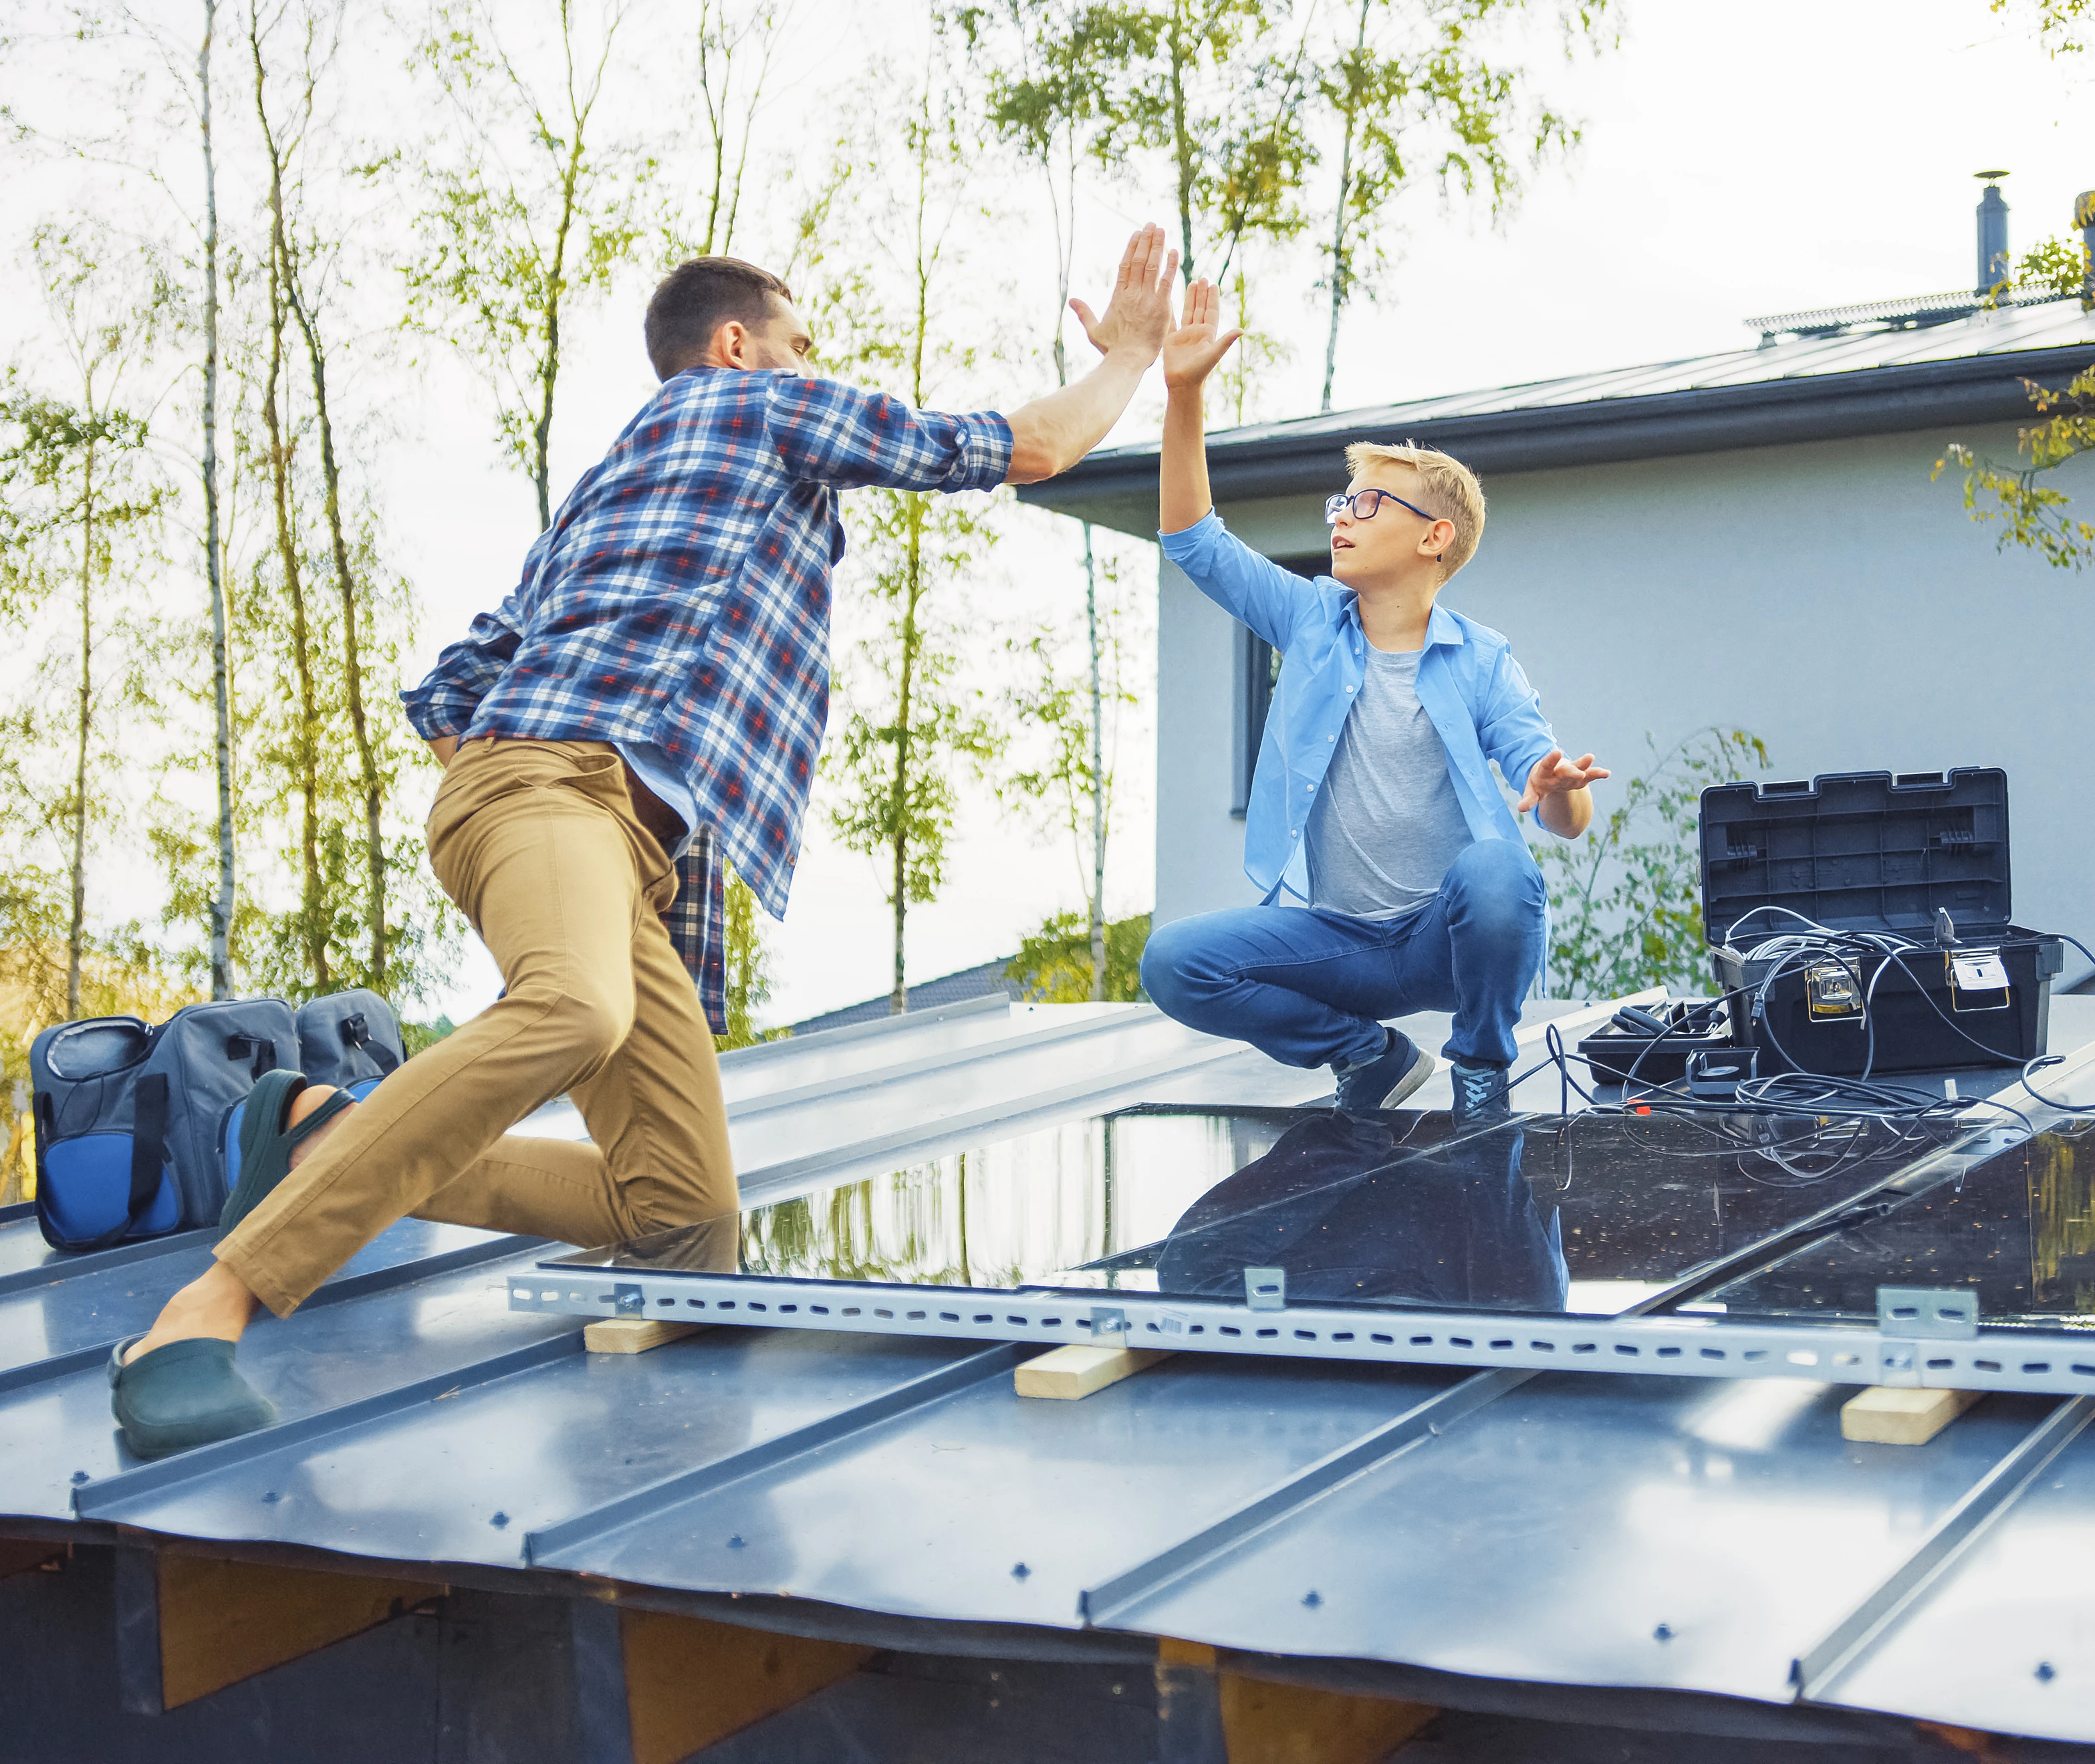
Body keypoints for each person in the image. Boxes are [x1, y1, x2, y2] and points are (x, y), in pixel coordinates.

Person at [107, 225, 1184, 1460]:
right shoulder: (751, 408)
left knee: (679, 1222)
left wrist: (524, 784)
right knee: (573, 1010)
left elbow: (454, 682)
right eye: (797, 343)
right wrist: (1134, 360)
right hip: (557, 790)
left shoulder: (612, 492)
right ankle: (203, 1314)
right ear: (736, 348)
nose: (808, 364)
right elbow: (1026, 447)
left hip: (596, 829)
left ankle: (314, 1132)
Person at [1138, 281, 1609, 1123]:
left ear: (1434, 538)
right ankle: (1369, 1054)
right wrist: (1184, 394)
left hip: (1444, 939)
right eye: (1338, 503)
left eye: (1365, 505)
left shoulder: (1481, 661)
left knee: (1500, 868)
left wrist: (1560, 783)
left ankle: (1479, 1065)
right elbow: (1193, 542)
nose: (1340, 518)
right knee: (1174, 962)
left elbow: (1562, 820)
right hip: (1342, 945)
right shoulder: (1309, 619)